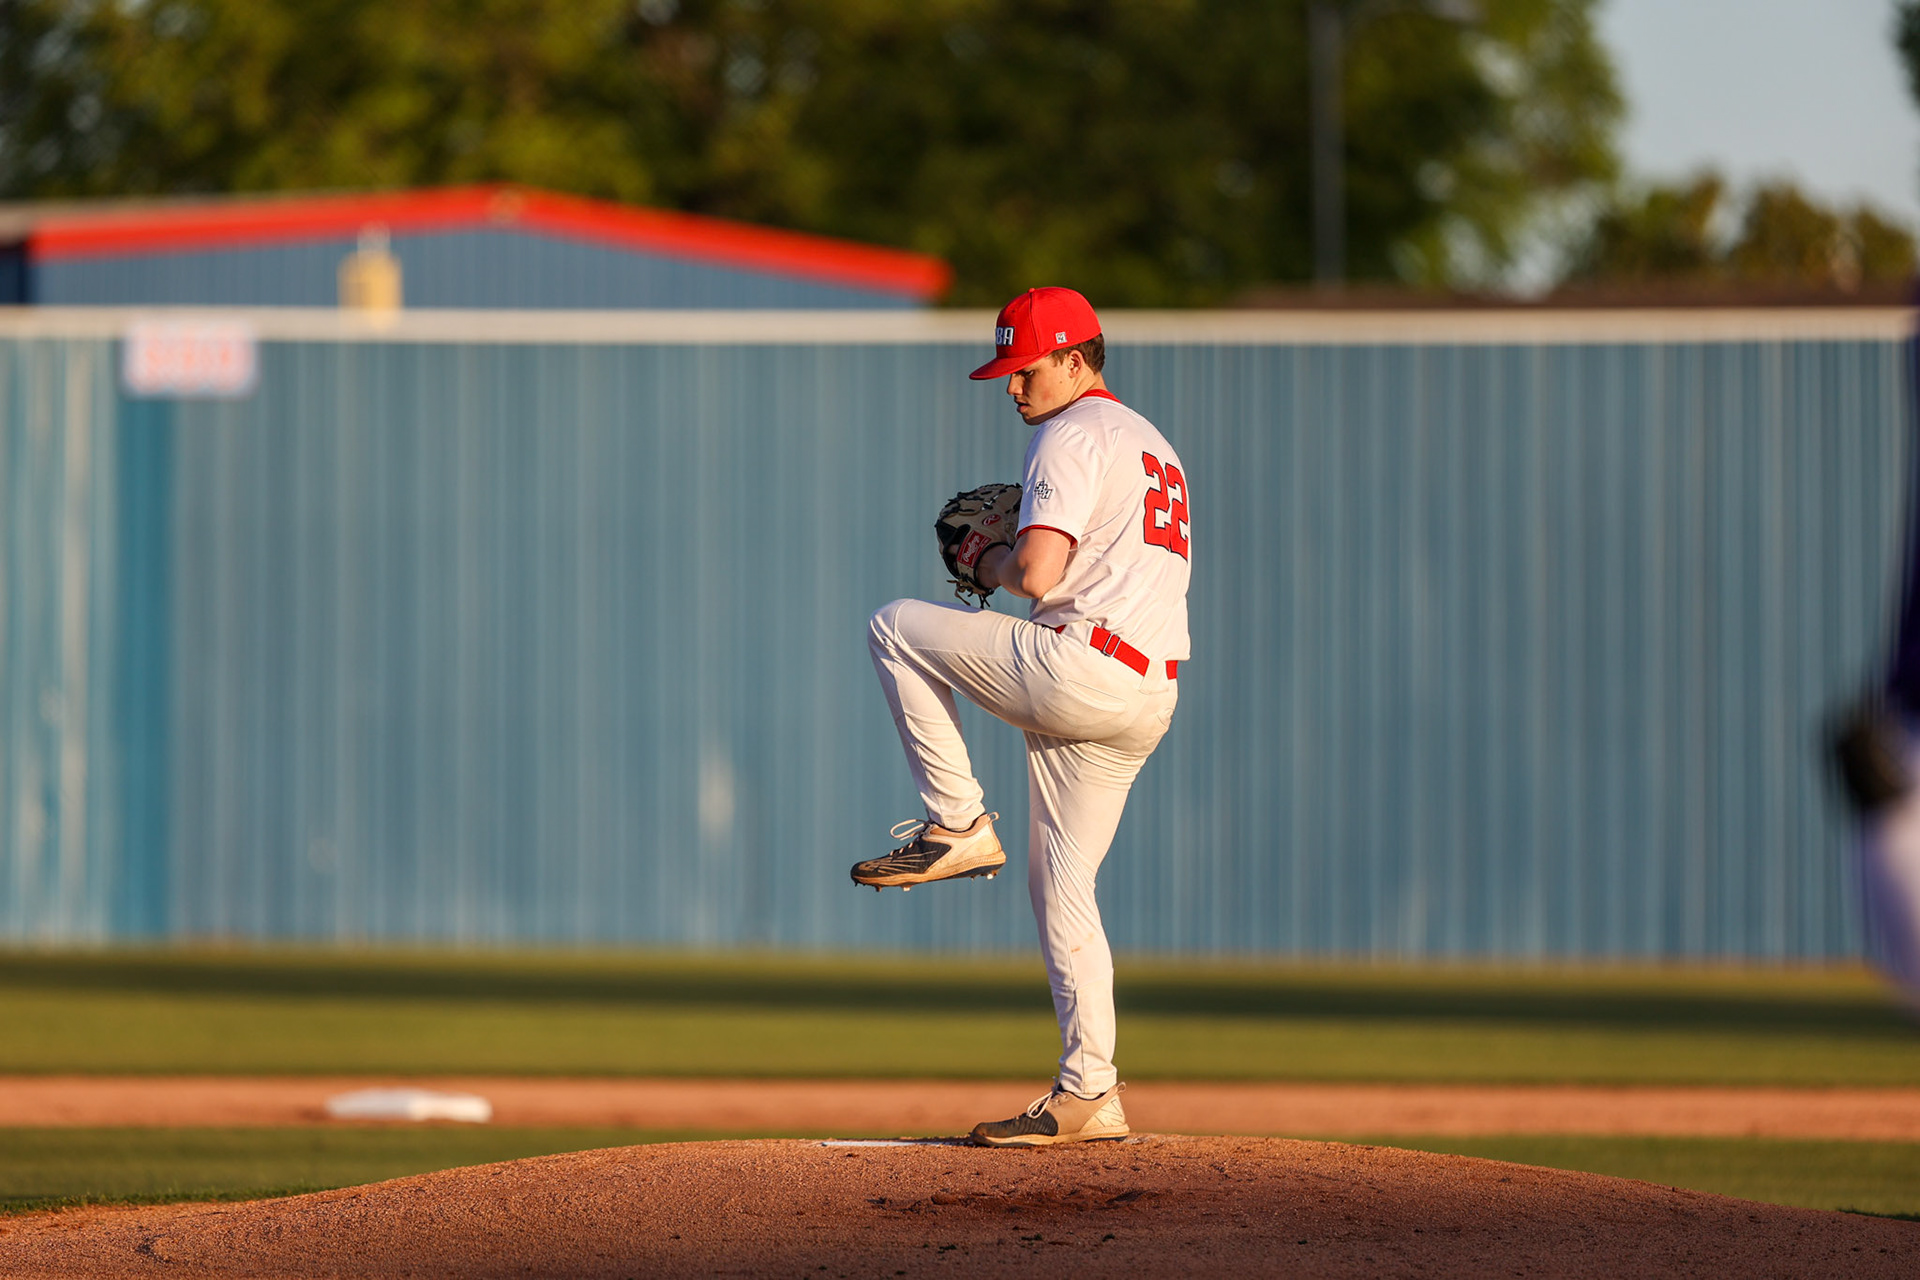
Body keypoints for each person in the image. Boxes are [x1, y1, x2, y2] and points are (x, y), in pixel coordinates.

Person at [852, 286, 1192, 1146]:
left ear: (1077, 360)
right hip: (1146, 692)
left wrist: (985, 553)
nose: (1013, 386)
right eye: (1006, 370)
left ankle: (957, 822)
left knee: (895, 625)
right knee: (1061, 886)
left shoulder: (1071, 432)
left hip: (1081, 664)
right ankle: (1091, 1092)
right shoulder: (1154, 444)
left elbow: (1038, 574)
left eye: (1027, 367)